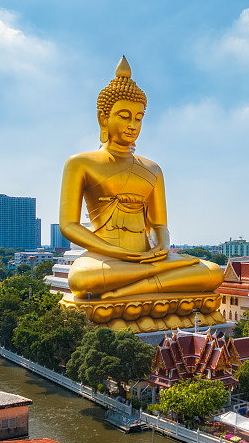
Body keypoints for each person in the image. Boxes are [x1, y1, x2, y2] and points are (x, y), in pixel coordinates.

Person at [59, 56, 222, 300]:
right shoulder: (80, 163)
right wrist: (119, 253)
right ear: (104, 118)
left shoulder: (152, 168)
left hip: (147, 257)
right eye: (124, 115)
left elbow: (159, 225)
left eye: (139, 117)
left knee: (214, 272)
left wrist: (162, 247)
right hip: (108, 258)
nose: (133, 124)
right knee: (81, 280)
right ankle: (157, 278)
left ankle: (133, 289)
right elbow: (68, 225)